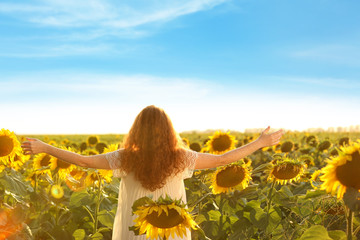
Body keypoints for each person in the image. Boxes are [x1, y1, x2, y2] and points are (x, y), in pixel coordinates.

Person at [21, 105, 284, 240]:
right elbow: (223, 159)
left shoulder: (125, 158)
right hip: (171, 228)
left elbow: (84, 162)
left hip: (135, 230)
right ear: (169, 130)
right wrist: (260, 143)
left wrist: (45, 147)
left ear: (137, 130)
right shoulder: (181, 158)